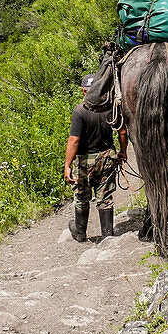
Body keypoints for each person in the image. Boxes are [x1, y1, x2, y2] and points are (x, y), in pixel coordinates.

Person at [64, 73, 128, 242]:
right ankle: (107, 234)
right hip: (107, 158)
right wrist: (123, 151)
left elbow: (74, 140)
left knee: (82, 197)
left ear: (83, 91)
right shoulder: (109, 108)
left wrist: (67, 165)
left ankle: (80, 231)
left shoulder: (79, 111)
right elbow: (122, 132)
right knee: (105, 197)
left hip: (85, 161)